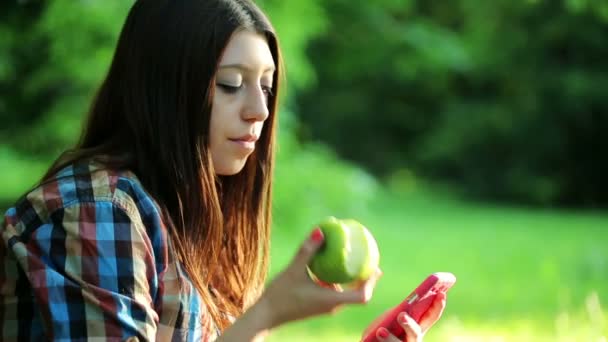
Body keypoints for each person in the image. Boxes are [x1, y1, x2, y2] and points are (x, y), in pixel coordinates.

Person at [0, 0, 447, 341]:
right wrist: (266, 314)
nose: (259, 110)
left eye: (267, 87)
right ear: (165, 89)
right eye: (230, 84)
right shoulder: (96, 212)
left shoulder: (189, 211)